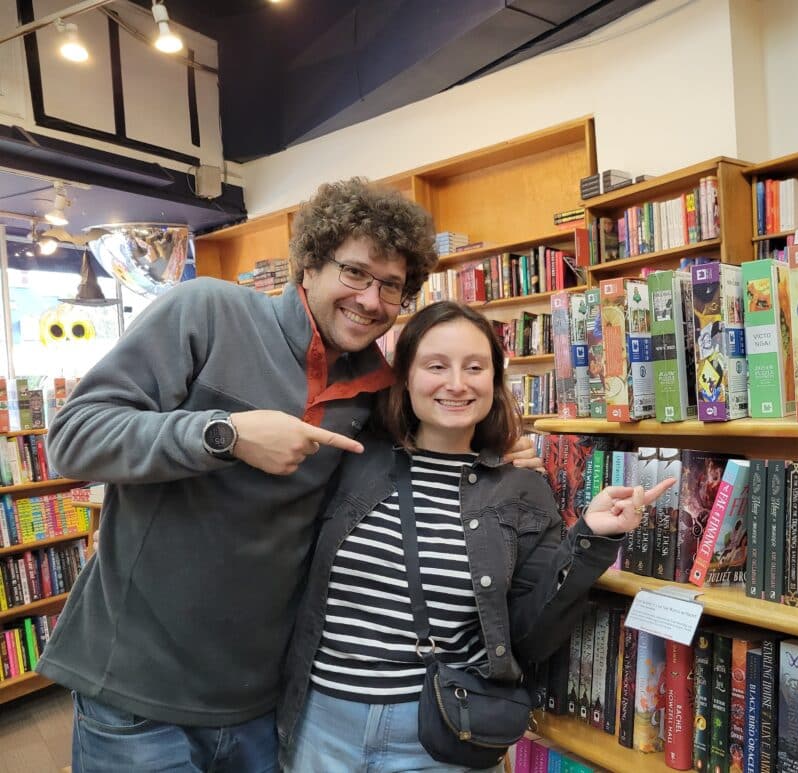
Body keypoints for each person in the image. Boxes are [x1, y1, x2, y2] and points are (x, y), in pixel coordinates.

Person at [38, 178, 535, 772]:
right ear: (309, 265)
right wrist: (225, 434)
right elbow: (73, 439)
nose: (371, 300)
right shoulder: (206, 311)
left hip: (262, 700)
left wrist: (492, 462)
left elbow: (419, 448)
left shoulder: (376, 389)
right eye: (354, 273)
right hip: (136, 688)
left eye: (391, 286)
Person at [277, 301, 676, 772]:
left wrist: (589, 536)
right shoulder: (353, 461)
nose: (457, 383)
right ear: (404, 377)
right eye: (436, 366)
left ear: (494, 380)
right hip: (321, 724)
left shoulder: (521, 490)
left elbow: (530, 634)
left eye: (475, 367)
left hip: (442, 732)